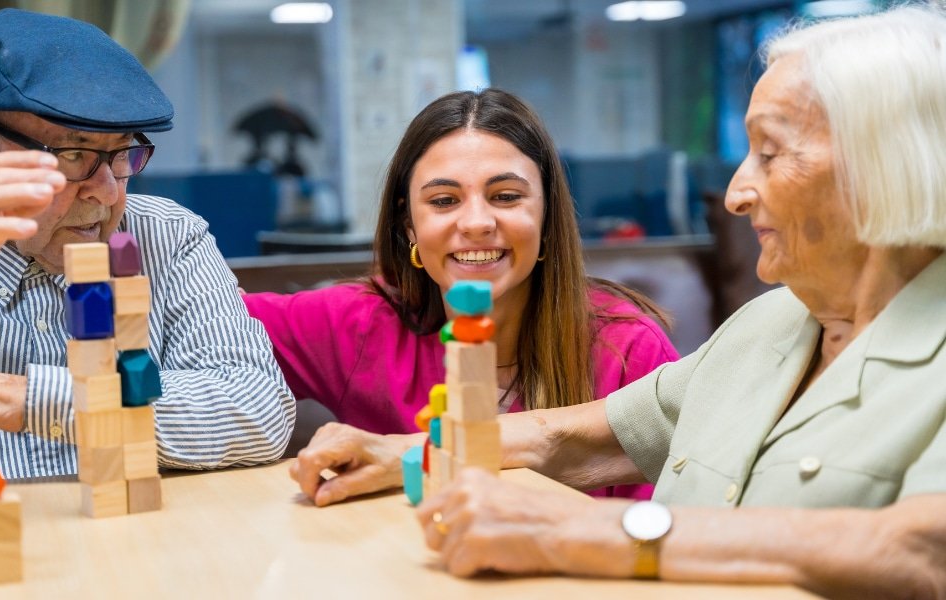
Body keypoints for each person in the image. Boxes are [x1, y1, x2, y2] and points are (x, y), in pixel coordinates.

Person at [404, 6, 946, 598]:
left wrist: (591, 532)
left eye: (770, 154)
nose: (737, 193)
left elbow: (919, 550)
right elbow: (569, 437)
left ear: (887, 165)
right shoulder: (770, 322)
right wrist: (394, 454)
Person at [0, 9, 295, 495]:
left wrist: (26, 398)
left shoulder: (166, 239)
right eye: (73, 154)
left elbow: (259, 410)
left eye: (122, 154)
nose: (109, 192)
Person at [253, 89, 679, 507]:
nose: (476, 222)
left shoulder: (630, 352)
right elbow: (210, 321)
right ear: (409, 227)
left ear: (547, 217)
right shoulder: (358, 323)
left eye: (506, 196)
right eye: (444, 201)